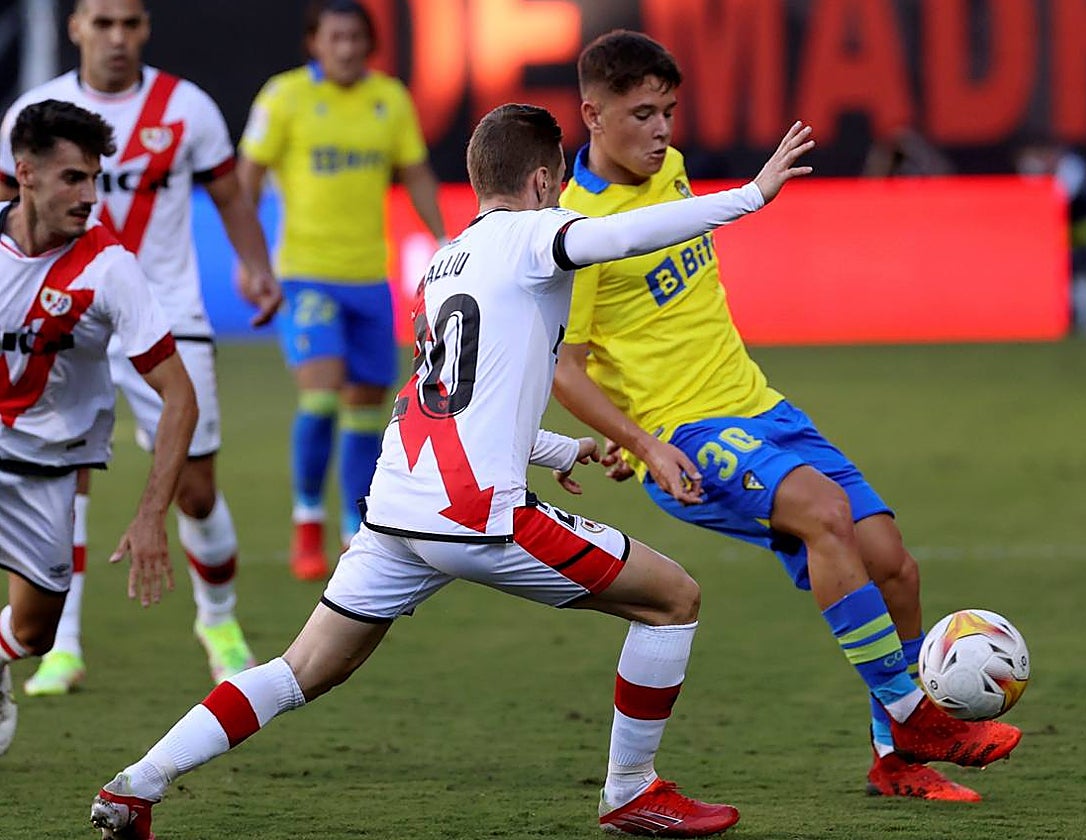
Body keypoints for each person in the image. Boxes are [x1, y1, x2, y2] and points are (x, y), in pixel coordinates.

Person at [88, 103, 819, 839]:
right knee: (673, 597)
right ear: (542, 180)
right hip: (476, 515)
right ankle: (630, 790)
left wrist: (562, 449)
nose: (563, 198)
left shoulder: (444, 262)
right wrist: (750, 197)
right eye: (559, 185)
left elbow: (454, 401)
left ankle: (136, 783)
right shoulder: (536, 235)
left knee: (303, 668)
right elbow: (624, 233)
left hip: (399, 508)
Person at [553, 30, 1022, 803]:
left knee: (894, 564)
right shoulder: (580, 232)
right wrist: (639, 442)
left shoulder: (668, 171)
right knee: (827, 515)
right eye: (642, 114)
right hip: (690, 439)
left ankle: (893, 761)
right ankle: (914, 716)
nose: (663, 130)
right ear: (592, 115)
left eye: (669, 110)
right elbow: (565, 371)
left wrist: (621, 431)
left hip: (762, 407)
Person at [0, 0, 280, 694]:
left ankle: (218, 622)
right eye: (103, 23)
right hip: (67, 324)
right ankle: (60, 646)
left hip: (166, 312)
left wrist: (256, 265)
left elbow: (229, 196)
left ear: (146, 29)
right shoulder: (34, 115)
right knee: (64, 471)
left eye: (130, 23)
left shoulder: (187, 106)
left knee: (196, 487)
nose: (117, 37)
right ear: (76, 28)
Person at [0, 99, 197, 757]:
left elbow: (179, 397)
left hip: (48, 468)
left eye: (94, 177)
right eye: (71, 179)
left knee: (35, 635)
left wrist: (149, 516)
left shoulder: (108, 268)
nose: (90, 195)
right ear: (23, 173)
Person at [238, 0, 449, 581]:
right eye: (336, 38)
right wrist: (249, 259)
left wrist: (445, 239)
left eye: (357, 38)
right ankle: (306, 519)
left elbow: (416, 173)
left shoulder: (390, 99)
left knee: (364, 409)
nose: (348, 48)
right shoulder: (283, 98)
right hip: (305, 273)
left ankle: (354, 526)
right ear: (314, 42)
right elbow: (246, 179)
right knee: (321, 396)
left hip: (368, 279)